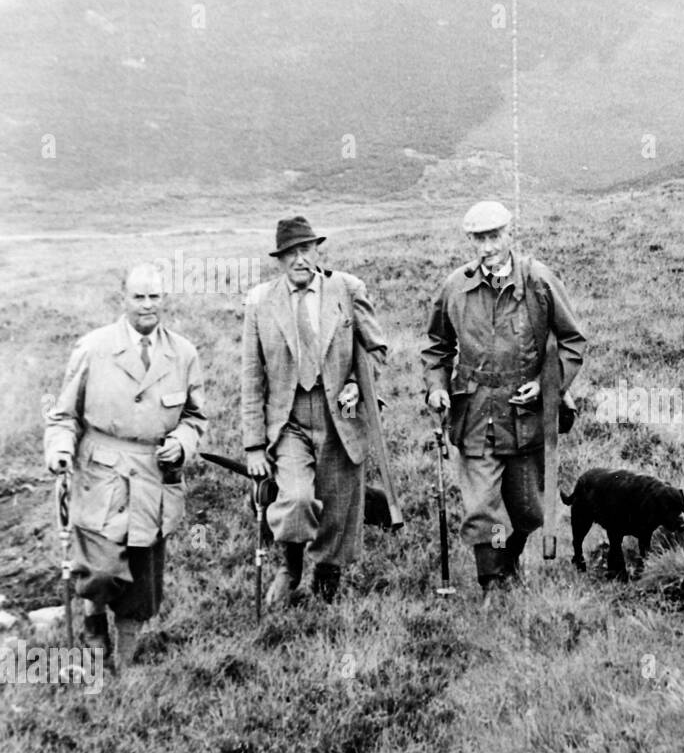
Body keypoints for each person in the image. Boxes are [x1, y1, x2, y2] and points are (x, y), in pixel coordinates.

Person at [44, 263, 207, 671]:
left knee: (141, 571)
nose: (148, 305)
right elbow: (63, 415)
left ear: (164, 299)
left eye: (155, 296)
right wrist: (61, 450)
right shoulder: (93, 348)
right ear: (124, 299)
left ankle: (125, 660)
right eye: (139, 296)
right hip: (101, 474)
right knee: (99, 569)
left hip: (154, 475)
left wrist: (182, 444)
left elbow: (195, 417)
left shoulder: (183, 353)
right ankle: (93, 615)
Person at [422, 200, 587, 593]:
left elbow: (572, 341)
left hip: (526, 415)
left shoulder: (539, 281)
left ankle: (509, 554)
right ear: (470, 241)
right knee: (483, 508)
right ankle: (492, 581)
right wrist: (437, 387)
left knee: (528, 511)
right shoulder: (455, 288)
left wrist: (550, 386)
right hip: (475, 412)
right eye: (479, 238)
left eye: (495, 236)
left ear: (510, 234)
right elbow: (436, 346)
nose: (488, 247)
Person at [241, 216, 388, 605]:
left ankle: (327, 582)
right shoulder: (260, 303)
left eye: (305, 250)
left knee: (339, 507)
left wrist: (359, 383)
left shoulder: (347, 289)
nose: (299, 260)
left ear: (317, 250)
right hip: (288, 421)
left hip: (339, 414)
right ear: (280, 260)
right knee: (297, 499)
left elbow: (376, 350)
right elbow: (251, 378)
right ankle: (290, 566)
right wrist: (254, 446)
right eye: (290, 253)